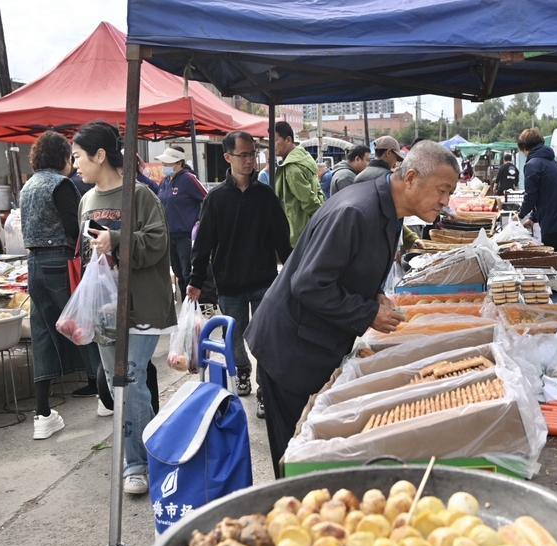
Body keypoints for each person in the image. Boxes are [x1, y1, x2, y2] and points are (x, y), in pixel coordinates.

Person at [245, 141, 460, 478]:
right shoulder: (356, 211)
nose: (446, 201)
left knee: (316, 457)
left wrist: (374, 294)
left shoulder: (388, 212)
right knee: (297, 461)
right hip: (290, 348)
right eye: (442, 190)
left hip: (317, 342)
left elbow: (349, 266)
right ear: (411, 178)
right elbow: (309, 284)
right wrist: (367, 313)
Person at [72, 121, 175, 495]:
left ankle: (137, 463)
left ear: (100, 155)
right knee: (119, 385)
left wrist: (115, 239)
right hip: (104, 310)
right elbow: (87, 253)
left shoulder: (140, 195)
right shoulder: (86, 201)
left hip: (142, 305)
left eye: (78, 156)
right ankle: (152, 445)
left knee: (130, 379)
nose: (75, 164)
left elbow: (157, 243)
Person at [186, 131, 292, 417]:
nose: (249, 160)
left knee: (266, 338)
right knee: (234, 338)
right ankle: (242, 371)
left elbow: (282, 240)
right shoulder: (216, 198)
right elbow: (204, 244)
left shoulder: (265, 196)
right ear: (227, 157)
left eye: (252, 154)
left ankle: (264, 390)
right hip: (229, 282)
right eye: (243, 155)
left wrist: (293, 272)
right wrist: (196, 280)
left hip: (264, 281)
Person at [20, 131, 101, 440]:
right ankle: (105, 396)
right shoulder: (61, 184)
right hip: (60, 263)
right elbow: (76, 227)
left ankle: (42, 414)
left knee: (42, 333)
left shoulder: (28, 185)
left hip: (34, 265)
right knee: (82, 324)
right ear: (63, 157)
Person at [517, 128, 557, 276]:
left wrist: (519, 215)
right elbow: (546, 194)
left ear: (524, 147)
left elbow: (531, 195)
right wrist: (533, 218)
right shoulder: (552, 162)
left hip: (555, 220)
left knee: (552, 261)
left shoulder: (532, 164)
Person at [156, 146, 207, 300]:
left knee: (187, 273)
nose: (164, 166)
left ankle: (193, 304)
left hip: (185, 235)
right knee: (178, 272)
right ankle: (187, 305)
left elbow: (207, 198)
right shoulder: (164, 181)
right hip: (169, 234)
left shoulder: (188, 179)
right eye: (163, 163)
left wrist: (201, 219)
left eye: (168, 163)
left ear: (179, 164)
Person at [354, 135, 420, 251]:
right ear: (388, 153)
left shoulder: (359, 177)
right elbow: (394, 215)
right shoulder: (390, 179)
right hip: (385, 241)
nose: (396, 162)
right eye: (396, 157)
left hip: (363, 239)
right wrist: (399, 245)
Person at [274, 121, 325, 246]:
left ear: (288, 140)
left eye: (275, 140)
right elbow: (318, 191)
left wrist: (322, 219)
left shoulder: (292, 168)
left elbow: (308, 201)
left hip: (299, 232)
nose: (272, 145)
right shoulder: (305, 158)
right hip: (311, 228)